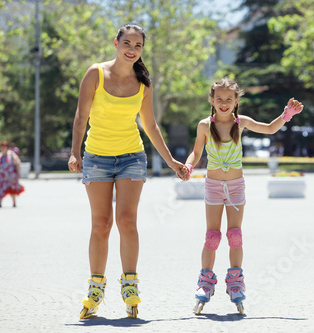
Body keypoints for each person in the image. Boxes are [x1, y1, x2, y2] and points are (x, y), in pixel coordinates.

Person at [68, 23, 187, 319]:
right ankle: (95, 287)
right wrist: (74, 152)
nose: (132, 50)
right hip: (96, 157)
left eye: (138, 46)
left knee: (127, 221)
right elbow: (81, 115)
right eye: (127, 43)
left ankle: (130, 285)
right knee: (101, 224)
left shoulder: (143, 82)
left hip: (132, 157)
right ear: (116, 43)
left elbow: (150, 126)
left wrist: (172, 162)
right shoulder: (95, 73)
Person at [183, 78, 303, 314]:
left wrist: (286, 115)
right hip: (214, 186)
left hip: (236, 186)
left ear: (236, 101)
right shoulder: (204, 125)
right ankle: (205, 283)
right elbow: (196, 153)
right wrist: (187, 167)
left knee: (235, 236)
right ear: (212, 100)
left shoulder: (242, 123)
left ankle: (235, 283)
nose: (224, 103)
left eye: (229, 99)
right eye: (219, 99)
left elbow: (269, 128)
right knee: (212, 236)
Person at [0, 141, 24, 207]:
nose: (3, 148)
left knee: (12, 189)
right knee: (0, 188)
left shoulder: (11, 154)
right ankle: (0, 203)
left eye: (4, 147)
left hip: (11, 176)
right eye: (1, 147)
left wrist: (19, 172)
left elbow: (17, 163)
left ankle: (14, 203)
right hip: (1, 176)